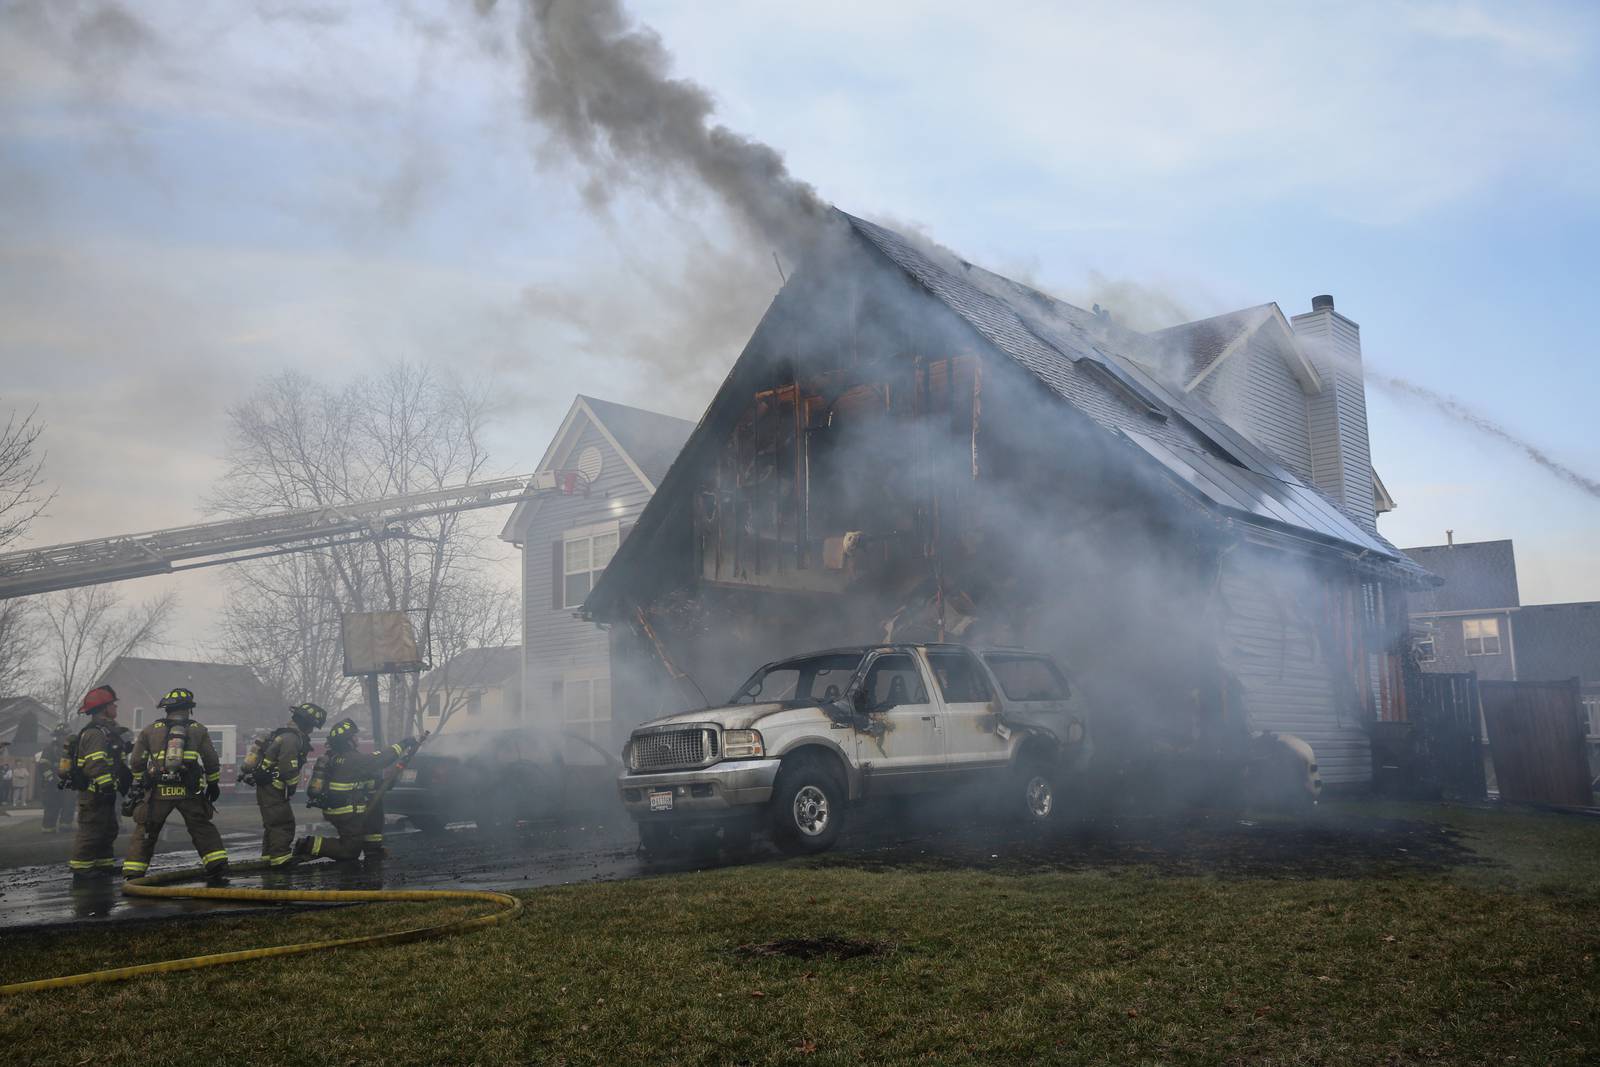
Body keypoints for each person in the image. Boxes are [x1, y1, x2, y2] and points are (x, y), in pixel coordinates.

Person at [122, 688, 229, 883]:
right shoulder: (198, 729)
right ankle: (217, 864)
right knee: (201, 827)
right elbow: (211, 759)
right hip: (189, 790)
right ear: (189, 709)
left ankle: (134, 872)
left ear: (166, 709)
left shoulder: (149, 730)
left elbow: (136, 762)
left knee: (146, 830)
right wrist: (213, 783)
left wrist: (141, 781)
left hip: (158, 791)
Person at [295, 718, 417, 863]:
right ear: (348, 741)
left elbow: (356, 783)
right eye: (354, 736)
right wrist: (403, 744)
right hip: (345, 811)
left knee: (374, 805)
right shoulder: (352, 759)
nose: (356, 739)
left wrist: (381, 783)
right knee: (349, 851)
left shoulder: (335, 757)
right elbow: (382, 759)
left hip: (339, 808)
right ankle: (307, 844)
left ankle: (373, 849)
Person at [246, 702, 324, 868]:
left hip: (267, 785)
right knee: (283, 822)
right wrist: (292, 786)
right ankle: (281, 859)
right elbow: (288, 768)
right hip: (274, 786)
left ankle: (269, 857)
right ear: (305, 723)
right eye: (312, 726)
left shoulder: (283, 734)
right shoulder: (292, 738)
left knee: (272, 823)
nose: (311, 730)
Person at [67, 686, 132, 881]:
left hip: (103, 793)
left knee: (108, 829)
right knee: (91, 830)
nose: (116, 707)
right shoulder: (95, 733)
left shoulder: (107, 732)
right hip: (94, 793)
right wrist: (106, 786)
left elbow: (113, 759)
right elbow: (95, 764)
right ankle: (82, 868)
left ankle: (104, 865)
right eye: (113, 704)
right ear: (104, 708)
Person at [34, 726, 68, 832]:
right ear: (57, 736)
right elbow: (43, 765)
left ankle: (65, 825)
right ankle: (48, 827)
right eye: (63, 735)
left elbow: (66, 766)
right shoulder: (49, 748)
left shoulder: (67, 749)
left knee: (65, 804)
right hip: (51, 783)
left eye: (66, 735)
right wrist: (52, 778)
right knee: (51, 805)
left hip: (63, 783)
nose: (65, 737)